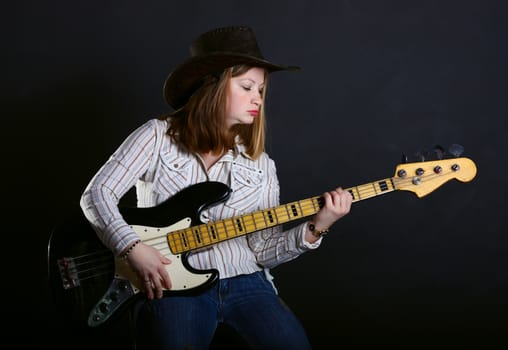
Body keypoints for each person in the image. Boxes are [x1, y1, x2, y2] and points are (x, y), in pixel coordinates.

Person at [80, 25, 352, 350]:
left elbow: (263, 250)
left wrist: (316, 227)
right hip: (172, 282)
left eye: (262, 90)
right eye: (248, 86)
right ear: (214, 85)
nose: (258, 99)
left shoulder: (261, 164)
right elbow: (96, 195)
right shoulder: (156, 137)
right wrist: (132, 248)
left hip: (247, 281)